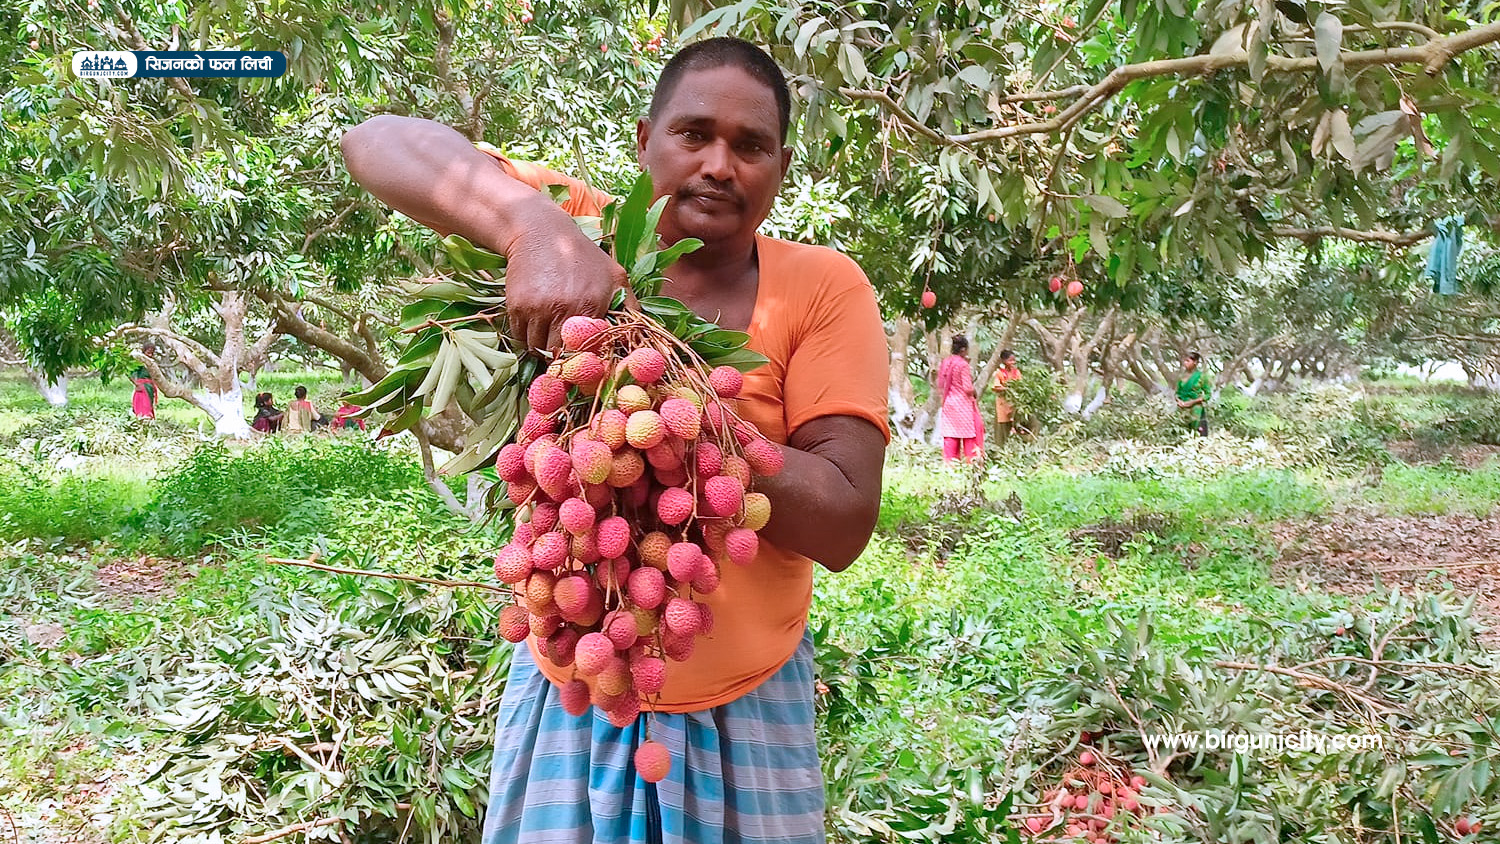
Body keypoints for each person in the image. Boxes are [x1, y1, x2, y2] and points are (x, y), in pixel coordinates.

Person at [342, 37, 889, 844]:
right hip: (576, 684)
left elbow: (843, 520)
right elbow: (374, 140)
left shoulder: (823, 287)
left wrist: (687, 409)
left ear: (780, 167)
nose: (718, 165)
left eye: (751, 146)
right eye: (693, 134)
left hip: (749, 704)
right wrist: (531, 226)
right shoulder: (580, 231)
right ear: (644, 141)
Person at [935, 335, 983, 461]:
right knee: (969, 437)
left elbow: (941, 384)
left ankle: (950, 466)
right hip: (963, 406)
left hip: (949, 403)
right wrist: (975, 391)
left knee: (951, 436)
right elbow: (967, 388)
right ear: (963, 350)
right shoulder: (963, 365)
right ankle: (971, 464)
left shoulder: (946, 362)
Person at [1175, 351, 1211, 436]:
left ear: (1195, 362)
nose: (1185, 363)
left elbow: (1207, 395)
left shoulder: (1202, 376)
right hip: (1181, 408)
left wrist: (1191, 402)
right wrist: (1179, 401)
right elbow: (1177, 393)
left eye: (1187, 361)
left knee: (1196, 433)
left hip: (1195, 409)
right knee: (1180, 432)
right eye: (1184, 361)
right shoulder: (1181, 376)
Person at [991, 349, 1021, 447]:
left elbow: (1021, 385)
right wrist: (1007, 389)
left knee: (1015, 424)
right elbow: (996, 387)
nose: (1013, 363)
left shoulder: (1016, 372)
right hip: (1002, 404)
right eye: (1010, 360)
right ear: (1004, 361)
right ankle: (1000, 448)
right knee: (1002, 427)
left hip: (1014, 403)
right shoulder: (1000, 373)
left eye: (1014, 360)